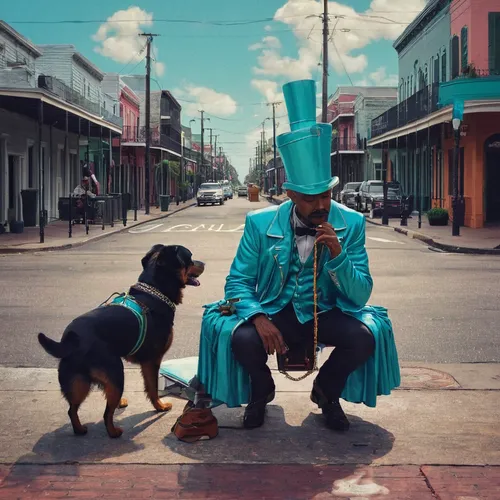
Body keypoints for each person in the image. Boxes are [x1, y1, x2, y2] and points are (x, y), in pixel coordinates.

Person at [196, 79, 400, 433]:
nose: (321, 205)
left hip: (326, 311)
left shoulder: (350, 222)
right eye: (310, 198)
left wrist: (337, 254)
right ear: (290, 194)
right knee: (241, 339)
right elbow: (238, 281)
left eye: (325, 195)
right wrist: (258, 317)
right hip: (277, 309)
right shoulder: (260, 224)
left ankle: (326, 392)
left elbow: (361, 294)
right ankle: (261, 392)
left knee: (364, 337)